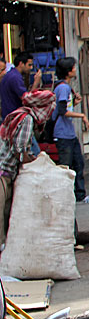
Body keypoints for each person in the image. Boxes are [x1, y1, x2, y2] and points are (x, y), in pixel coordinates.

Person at [0, 89, 56, 250]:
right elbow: (21, 150)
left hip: (8, 171)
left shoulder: (21, 114)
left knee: (7, 211)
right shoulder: (27, 119)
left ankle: (7, 245)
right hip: (3, 170)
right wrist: (38, 163)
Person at [53, 57, 89, 204]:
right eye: (73, 67)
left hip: (68, 133)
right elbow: (62, 110)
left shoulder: (64, 87)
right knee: (67, 166)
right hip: (63, 133)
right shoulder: (63, 88)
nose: (75, 69)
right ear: (68, 71)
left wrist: (75, 103)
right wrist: (82, 115)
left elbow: (66, 108)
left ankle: (79, 195)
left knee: (78, 163)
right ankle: (68, 196)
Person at [1, 52, 42, 119]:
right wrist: (36, 83)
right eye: (29, 65)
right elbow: (27, 99)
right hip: (14, 117)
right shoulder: (15, 77)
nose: (31, 68)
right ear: (21, 64)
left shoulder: (10, 74)